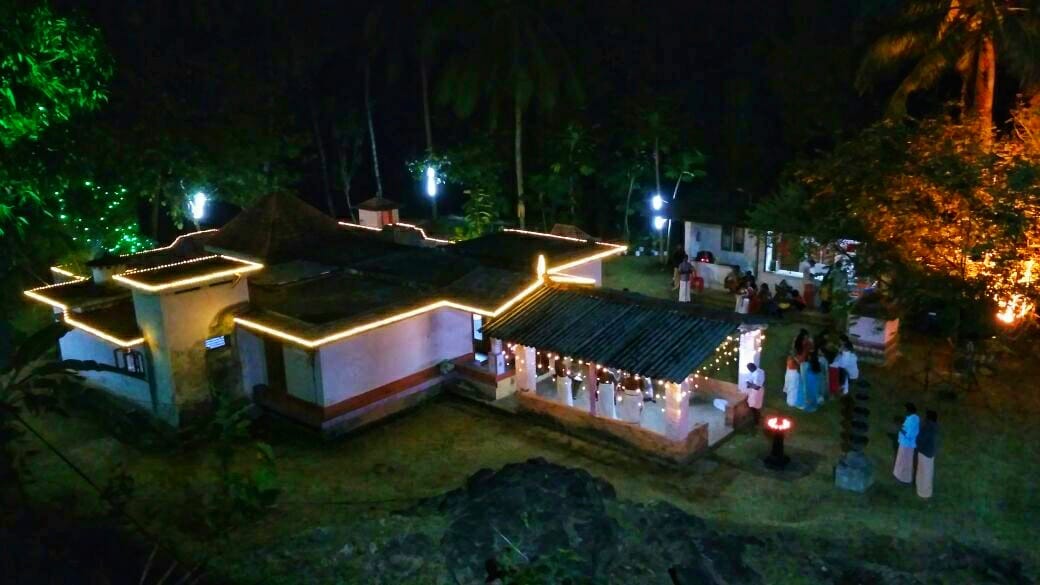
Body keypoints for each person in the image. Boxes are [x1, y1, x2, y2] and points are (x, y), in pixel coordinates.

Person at [893, 403, 920, 484]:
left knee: (904, 462)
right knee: (903, 461)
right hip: (906, 444)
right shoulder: (915, 418)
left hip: (906, 445)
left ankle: (903, 478)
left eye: (906, 410)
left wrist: (899, 428)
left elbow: (909, 434)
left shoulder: (912, 420)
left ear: (909, 411)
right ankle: (900, 476)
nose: (905, 412)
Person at [915, 410, 939, 498]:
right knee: (927, 472)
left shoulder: (927, 427)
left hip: (924, 452)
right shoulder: (935, 426)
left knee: (923, 472)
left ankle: (923, 492)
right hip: (930, 452)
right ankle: (924, 491)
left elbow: (921, 439)